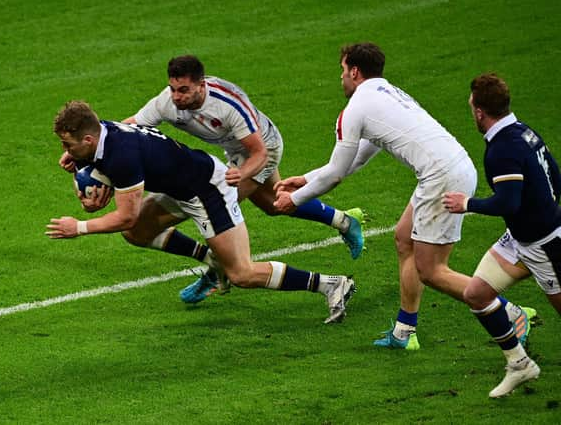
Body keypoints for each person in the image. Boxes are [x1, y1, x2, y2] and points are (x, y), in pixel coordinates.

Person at [274, 42, 531, 349]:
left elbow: (337, 174)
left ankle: (509, 313)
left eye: (342, 71)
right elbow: (354, 160)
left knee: (432, 271)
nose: (341, 77)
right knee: (403, 237)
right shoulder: (388, 94)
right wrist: (304, 179)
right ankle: (404, 332)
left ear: (354, 72)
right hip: (450, 168)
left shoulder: (356, 108)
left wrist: (296, 199)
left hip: (441, 177)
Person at [46, 100, 356, 324]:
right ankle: (211, 260)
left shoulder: (121, 157)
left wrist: (80, 227)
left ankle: (330, 284)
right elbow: (124, 207)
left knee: (243, 274)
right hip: (180, 186)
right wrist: (78, 161)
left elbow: (126, 213)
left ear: (88, 138)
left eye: (68, 144)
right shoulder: (105, 133)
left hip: (208, 191)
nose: (66, 150)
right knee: (137, 232)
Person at [114, 55, 364, 300]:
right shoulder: (166, 102)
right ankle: (343, 221)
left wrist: (242, 173)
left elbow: (259, 152)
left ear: (201, 86)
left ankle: (217, 271)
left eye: (183, 90)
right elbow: (129, 128)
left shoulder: (228, 104)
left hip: (262, 148)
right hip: (235, 151)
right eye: (173, 89)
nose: (176, 96)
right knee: (273, 204)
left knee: (214, 211)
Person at [442, 73, 561, 397]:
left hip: (544, 245)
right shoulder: (525, 132)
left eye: (471, 108)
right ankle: (520, 364)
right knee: (476, 294)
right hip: (519, 240)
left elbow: (508, 201)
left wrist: (466, 203)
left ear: (480, 111)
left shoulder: (502, 150)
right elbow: (556, 177)